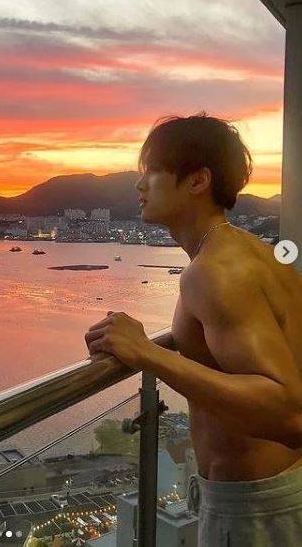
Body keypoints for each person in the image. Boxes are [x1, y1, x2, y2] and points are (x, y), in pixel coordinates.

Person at [85, 113, 302, 545]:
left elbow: (289, 413)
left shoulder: (213, 271)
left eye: (153, 171)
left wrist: (148, 353)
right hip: (275, 491)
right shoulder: (252, 253)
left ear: (198, 180)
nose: (139, 185)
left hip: (259, 508)